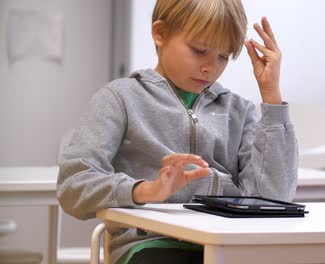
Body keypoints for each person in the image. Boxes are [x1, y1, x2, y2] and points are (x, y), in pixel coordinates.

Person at [57, 0, 298, 263]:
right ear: (160, 34)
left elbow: (274, 201)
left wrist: (271, 98)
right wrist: (146, 190)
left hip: (229, 245)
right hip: (152, 246)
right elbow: (73, 187)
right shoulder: (120, 98)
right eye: (199, 50)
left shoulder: (240, 111)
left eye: (223, 56)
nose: (211, 67)